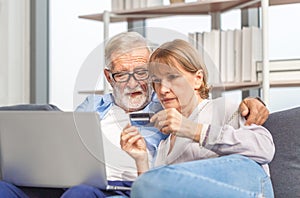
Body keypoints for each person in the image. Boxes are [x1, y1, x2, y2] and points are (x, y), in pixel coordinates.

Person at [0, 32, 269, 198]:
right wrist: (141, 158)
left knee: (81, 193)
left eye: (142, 74)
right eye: (121, 75)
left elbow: (263, 148)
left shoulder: (182, 114)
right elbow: (151, 183)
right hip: (76, 180)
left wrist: (249, 103)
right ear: (109, 76)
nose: (133, 84)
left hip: (114, 189)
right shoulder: (166, 141)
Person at [121, 39, 275, 198]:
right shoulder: (165, 146)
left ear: (198, 79)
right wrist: (142, 160)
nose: (163, 90)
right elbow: (153, 191)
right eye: (156, 81)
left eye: (172, 77)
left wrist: (191, 129)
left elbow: (265, 148)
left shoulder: (222, 108)